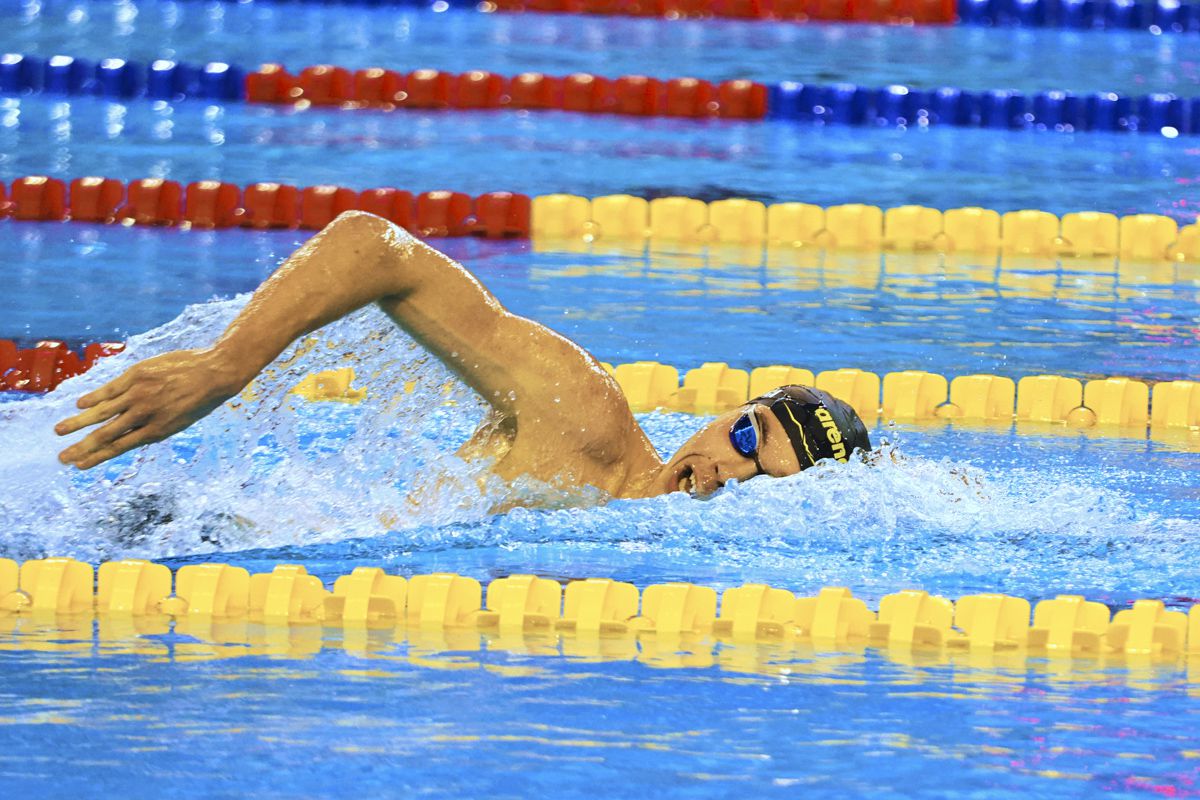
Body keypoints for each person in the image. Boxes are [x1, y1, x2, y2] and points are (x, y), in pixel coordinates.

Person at [55, 211, 870, 499]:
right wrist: (225, 365)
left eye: (765, 478)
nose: (727, 471)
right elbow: (377, 248)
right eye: (743, 436)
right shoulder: (583, 417)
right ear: (725, 413)